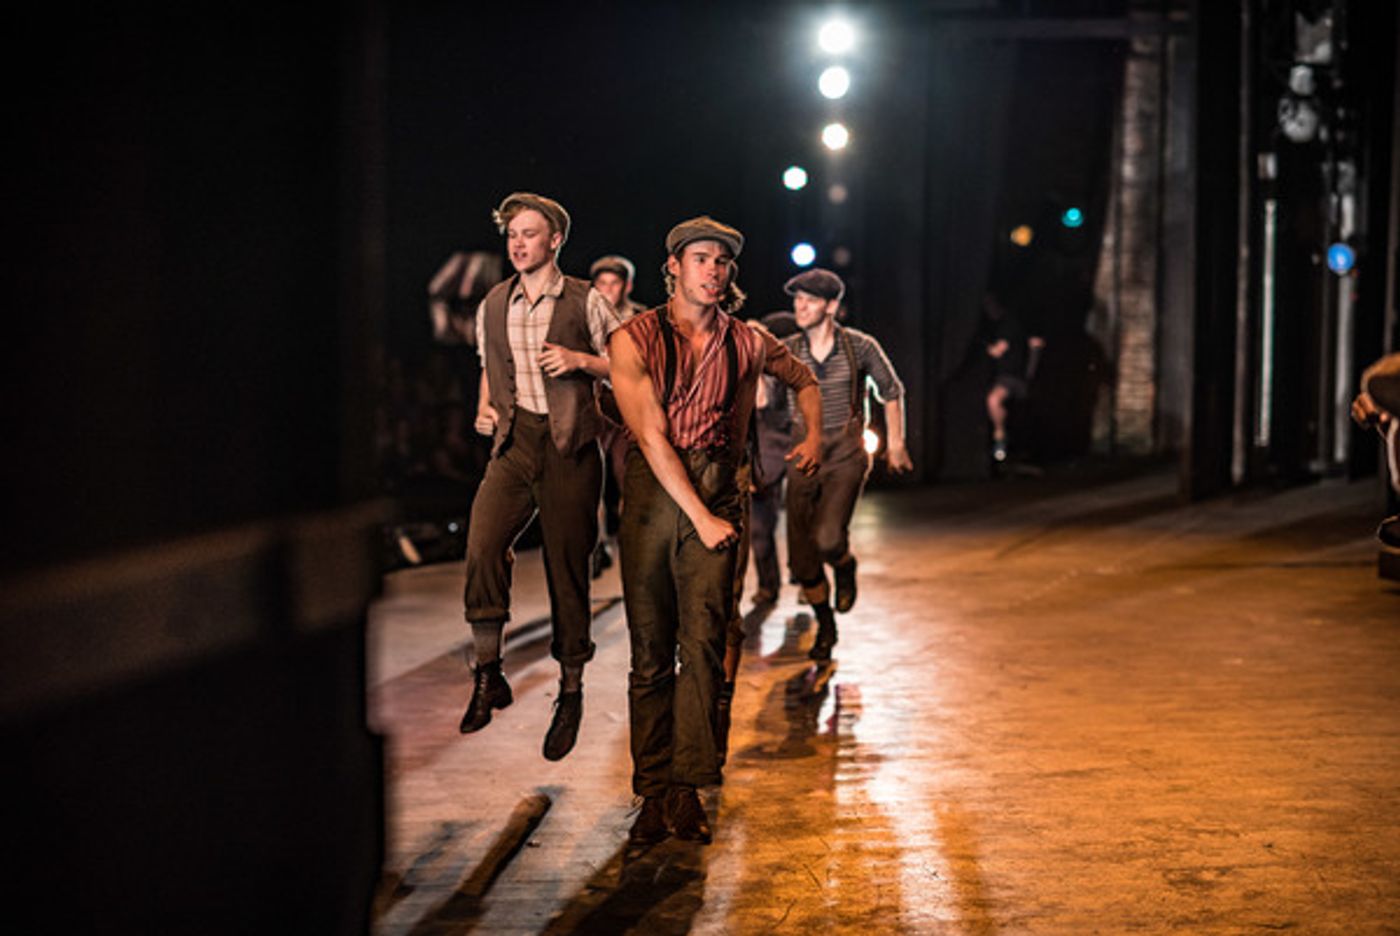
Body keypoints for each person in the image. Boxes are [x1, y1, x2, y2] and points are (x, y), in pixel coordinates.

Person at [609, 216, 822, 847]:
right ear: (673, 265)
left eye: (722, 262)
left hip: (722, 484)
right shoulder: (634, 339)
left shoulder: (749, 340)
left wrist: (811, 435)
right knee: (651, 651)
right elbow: (648, 435)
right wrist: (699, 515)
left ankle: (688, 788)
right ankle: (651, 790)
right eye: (701, 258)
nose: (713, 270)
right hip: (655, 493)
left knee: (702, 644)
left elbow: (805, 379)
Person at [458, 192, 622, 762]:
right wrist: (485, 408)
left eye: (529, 233)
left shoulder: (587, 300)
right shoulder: (494, 302)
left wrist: (581, 362)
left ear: (555, 240)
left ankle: (571, 691)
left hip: (570, 447)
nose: (518, 243)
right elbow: (490, 366)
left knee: (566, 567)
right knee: (481, 544)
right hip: (515, 442)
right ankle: (488, 672)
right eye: (512, 234)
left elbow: (630, 367)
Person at [783, 268, 913, 662]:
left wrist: (896, 444)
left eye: (809, 300)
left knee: (827, 538)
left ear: (832, 306)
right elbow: (761, 393)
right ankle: (826, 624)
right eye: (797, 299)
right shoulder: (786, 348)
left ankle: (844, 564)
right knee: (802, 558)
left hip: (845, 453)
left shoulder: (859, 346)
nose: (799, 306)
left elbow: (891, 391)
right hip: (801, 451)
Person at [589, 254, 646, 577]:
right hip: (594, 406)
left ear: (627, 286)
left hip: (629, 410)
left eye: (615, 283)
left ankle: (631, 543)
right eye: (602, 284)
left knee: (630, 481)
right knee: (591, 479)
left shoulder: (641, 319)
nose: (609, 290)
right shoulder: (583, 317)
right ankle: (598, 544)